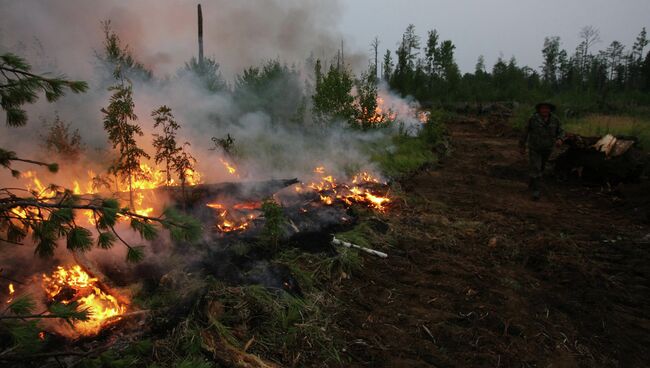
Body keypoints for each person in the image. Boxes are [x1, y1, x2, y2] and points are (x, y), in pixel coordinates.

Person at [519, 102, 564, 200]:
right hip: (535, 148)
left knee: (542, 167)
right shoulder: (533, 119)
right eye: (542, 108)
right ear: (539, 110)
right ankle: (536, 191)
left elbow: (561, 131)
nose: (545, 110)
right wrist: (522, 146)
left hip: (548, 148)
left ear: (550, 110)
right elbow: (525, 132)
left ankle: (532, 182)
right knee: (536, 167)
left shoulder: (555, 120)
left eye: (547, 109)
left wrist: (560, 139)